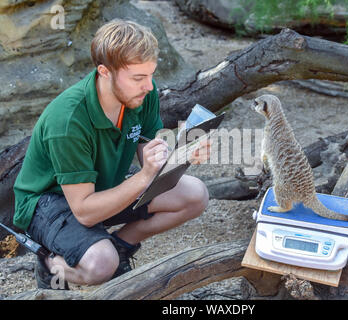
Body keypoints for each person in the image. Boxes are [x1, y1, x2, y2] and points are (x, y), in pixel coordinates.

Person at [12, 19, 211, 289]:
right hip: (50, 201)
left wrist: (185, 152)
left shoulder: (141, 95)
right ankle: (51, 264)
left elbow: (150, 158)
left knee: (194, 195)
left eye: (150, 75)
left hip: (103, 187)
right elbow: (84, 212)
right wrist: (143, 178)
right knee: (100, 264)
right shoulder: (68, 120)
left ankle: (121, 246)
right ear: (105, 72)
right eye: (138, 78)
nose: (149, 87)